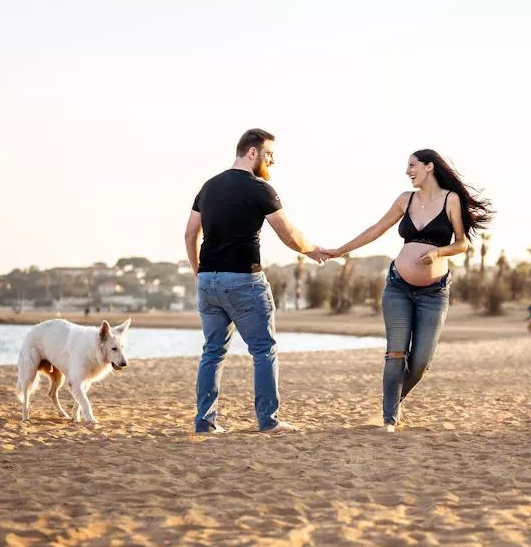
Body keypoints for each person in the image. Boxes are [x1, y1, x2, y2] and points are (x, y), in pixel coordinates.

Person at [327, 149, 493, 431]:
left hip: (434, 293)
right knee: (396, 354)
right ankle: (389, 419)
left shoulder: (450, 200)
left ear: (429, 167)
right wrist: (340, 250)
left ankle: (394, 402)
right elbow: (376, 228)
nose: (407, 171)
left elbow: (462, 243)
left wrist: (439, 253)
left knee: (421, 361)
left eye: (412, 165)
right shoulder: (406, 200)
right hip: (397, 288)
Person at [184, 129, 328, 435]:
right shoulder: (260, 188)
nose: (272, 161)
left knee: (212, 352)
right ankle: (268, 421)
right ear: (252, 152)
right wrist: (313, 250)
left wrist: (200, 272)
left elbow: (189, 234)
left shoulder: (208, 187)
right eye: (269, 154)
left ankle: (205, 422)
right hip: (244, 280)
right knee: (263, 349)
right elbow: (288, 234)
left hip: (208, 280)